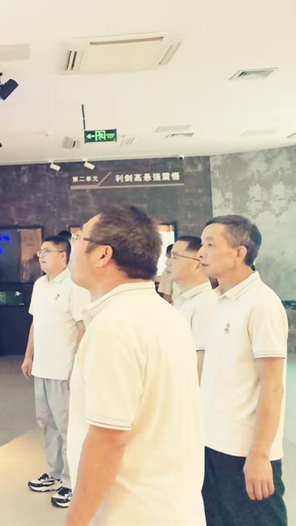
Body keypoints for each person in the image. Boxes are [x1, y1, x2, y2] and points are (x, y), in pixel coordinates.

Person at [65, 206, 205, 526]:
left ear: (102, 254)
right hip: (170, 505)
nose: (73, 246)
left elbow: (108, 439)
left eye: (78, 238)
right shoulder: (165, 314)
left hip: (131, 512)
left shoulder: (114, 326)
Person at [198, 215, 288, 526]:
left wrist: (260, 455)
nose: (201, 253)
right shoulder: (219, 301)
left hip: (244, 451)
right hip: (213, 442)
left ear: (239, 252)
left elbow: (273, 386)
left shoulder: (262, 304)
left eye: (210, 245)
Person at [21, 235, 90, 509]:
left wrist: (77, 367)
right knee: (46, 422)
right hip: (42, 368)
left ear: (63, 255)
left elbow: (84, 327)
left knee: (67, 427)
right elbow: (35, 323)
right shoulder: (40, 285)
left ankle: (72, 482)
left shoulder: (74, 285)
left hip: (64, 370)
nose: (41, 255)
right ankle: (53, 473)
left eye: (47, 251)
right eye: (40, 251)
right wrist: (28, 356)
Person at [164, 235, 217, 381]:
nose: (167, 262)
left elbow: (203, 361)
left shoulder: (206, 303)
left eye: (175, 256)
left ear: (198, 264)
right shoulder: (183, 301)